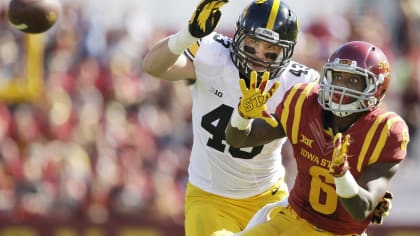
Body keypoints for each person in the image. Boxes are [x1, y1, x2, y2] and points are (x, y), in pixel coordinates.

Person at [142, 0, 319, 235]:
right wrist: (188, 35)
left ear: (286, 53)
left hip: (269, 195)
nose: (258, 57)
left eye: (270, 51)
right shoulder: (212, 52)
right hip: (211, 197)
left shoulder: (299, 84)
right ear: (237, 38)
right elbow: (153, 67)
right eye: (252, 45)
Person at [225, 40, 409, 235]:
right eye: (337, 76)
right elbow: (238, 140)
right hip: (293, 220)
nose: (340, 86)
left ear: (376, 88)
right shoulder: (304, 103)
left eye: (353, 80)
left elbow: (360, 210)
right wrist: (242, 114)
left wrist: (342, 175)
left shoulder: (385, 132)